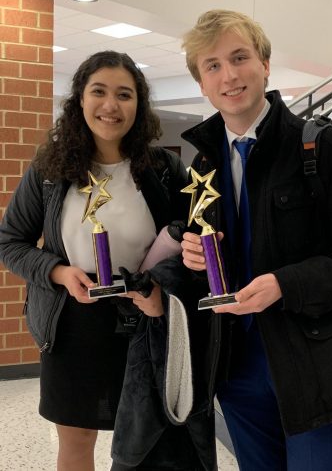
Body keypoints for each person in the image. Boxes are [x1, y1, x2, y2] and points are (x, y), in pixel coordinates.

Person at [180, 9, 332, 471]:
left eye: (240, 57)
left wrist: (285, 283)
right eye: (212, 66)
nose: (229, 75)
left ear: (265, 64)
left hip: (313, 365)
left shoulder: (328, 150)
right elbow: (208, 245)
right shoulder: (202, 166)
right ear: (201, 83)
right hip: (236, 369)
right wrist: (193, 255)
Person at [0, 50, 190, 471]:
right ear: (80, 100)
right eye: (98, 92)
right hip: (72, 323)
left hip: (144, 320)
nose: (110, 106)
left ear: (138, 105)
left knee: (146, 442)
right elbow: (9, 241)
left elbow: (191, 243)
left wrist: (164, 288)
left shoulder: (164, 169)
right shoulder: (50, 169)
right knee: (76, 439)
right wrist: (57, 271)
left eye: (124, 94)